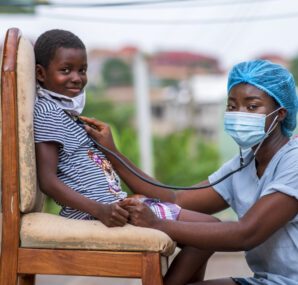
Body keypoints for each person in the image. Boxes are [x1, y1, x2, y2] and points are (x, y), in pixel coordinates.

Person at [82, 60, 298, 285]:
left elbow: (247, 233)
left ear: (280, 114)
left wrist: (157, 224)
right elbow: (178, 198)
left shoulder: (295, 161)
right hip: (268, 284)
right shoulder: (245, 163)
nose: (239, 115)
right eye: (232, 106)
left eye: (252, 107)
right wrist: (112, 152)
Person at [33, 29, 215, 229]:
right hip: (95, 214)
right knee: (210, 226)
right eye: (66, 70)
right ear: (41, 73)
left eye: (82, 70)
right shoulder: (48, 112)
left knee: (210, 227)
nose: (77, 78)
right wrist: (100, 210)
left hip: (113, 207)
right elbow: (48, 181)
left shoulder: (67, 114)